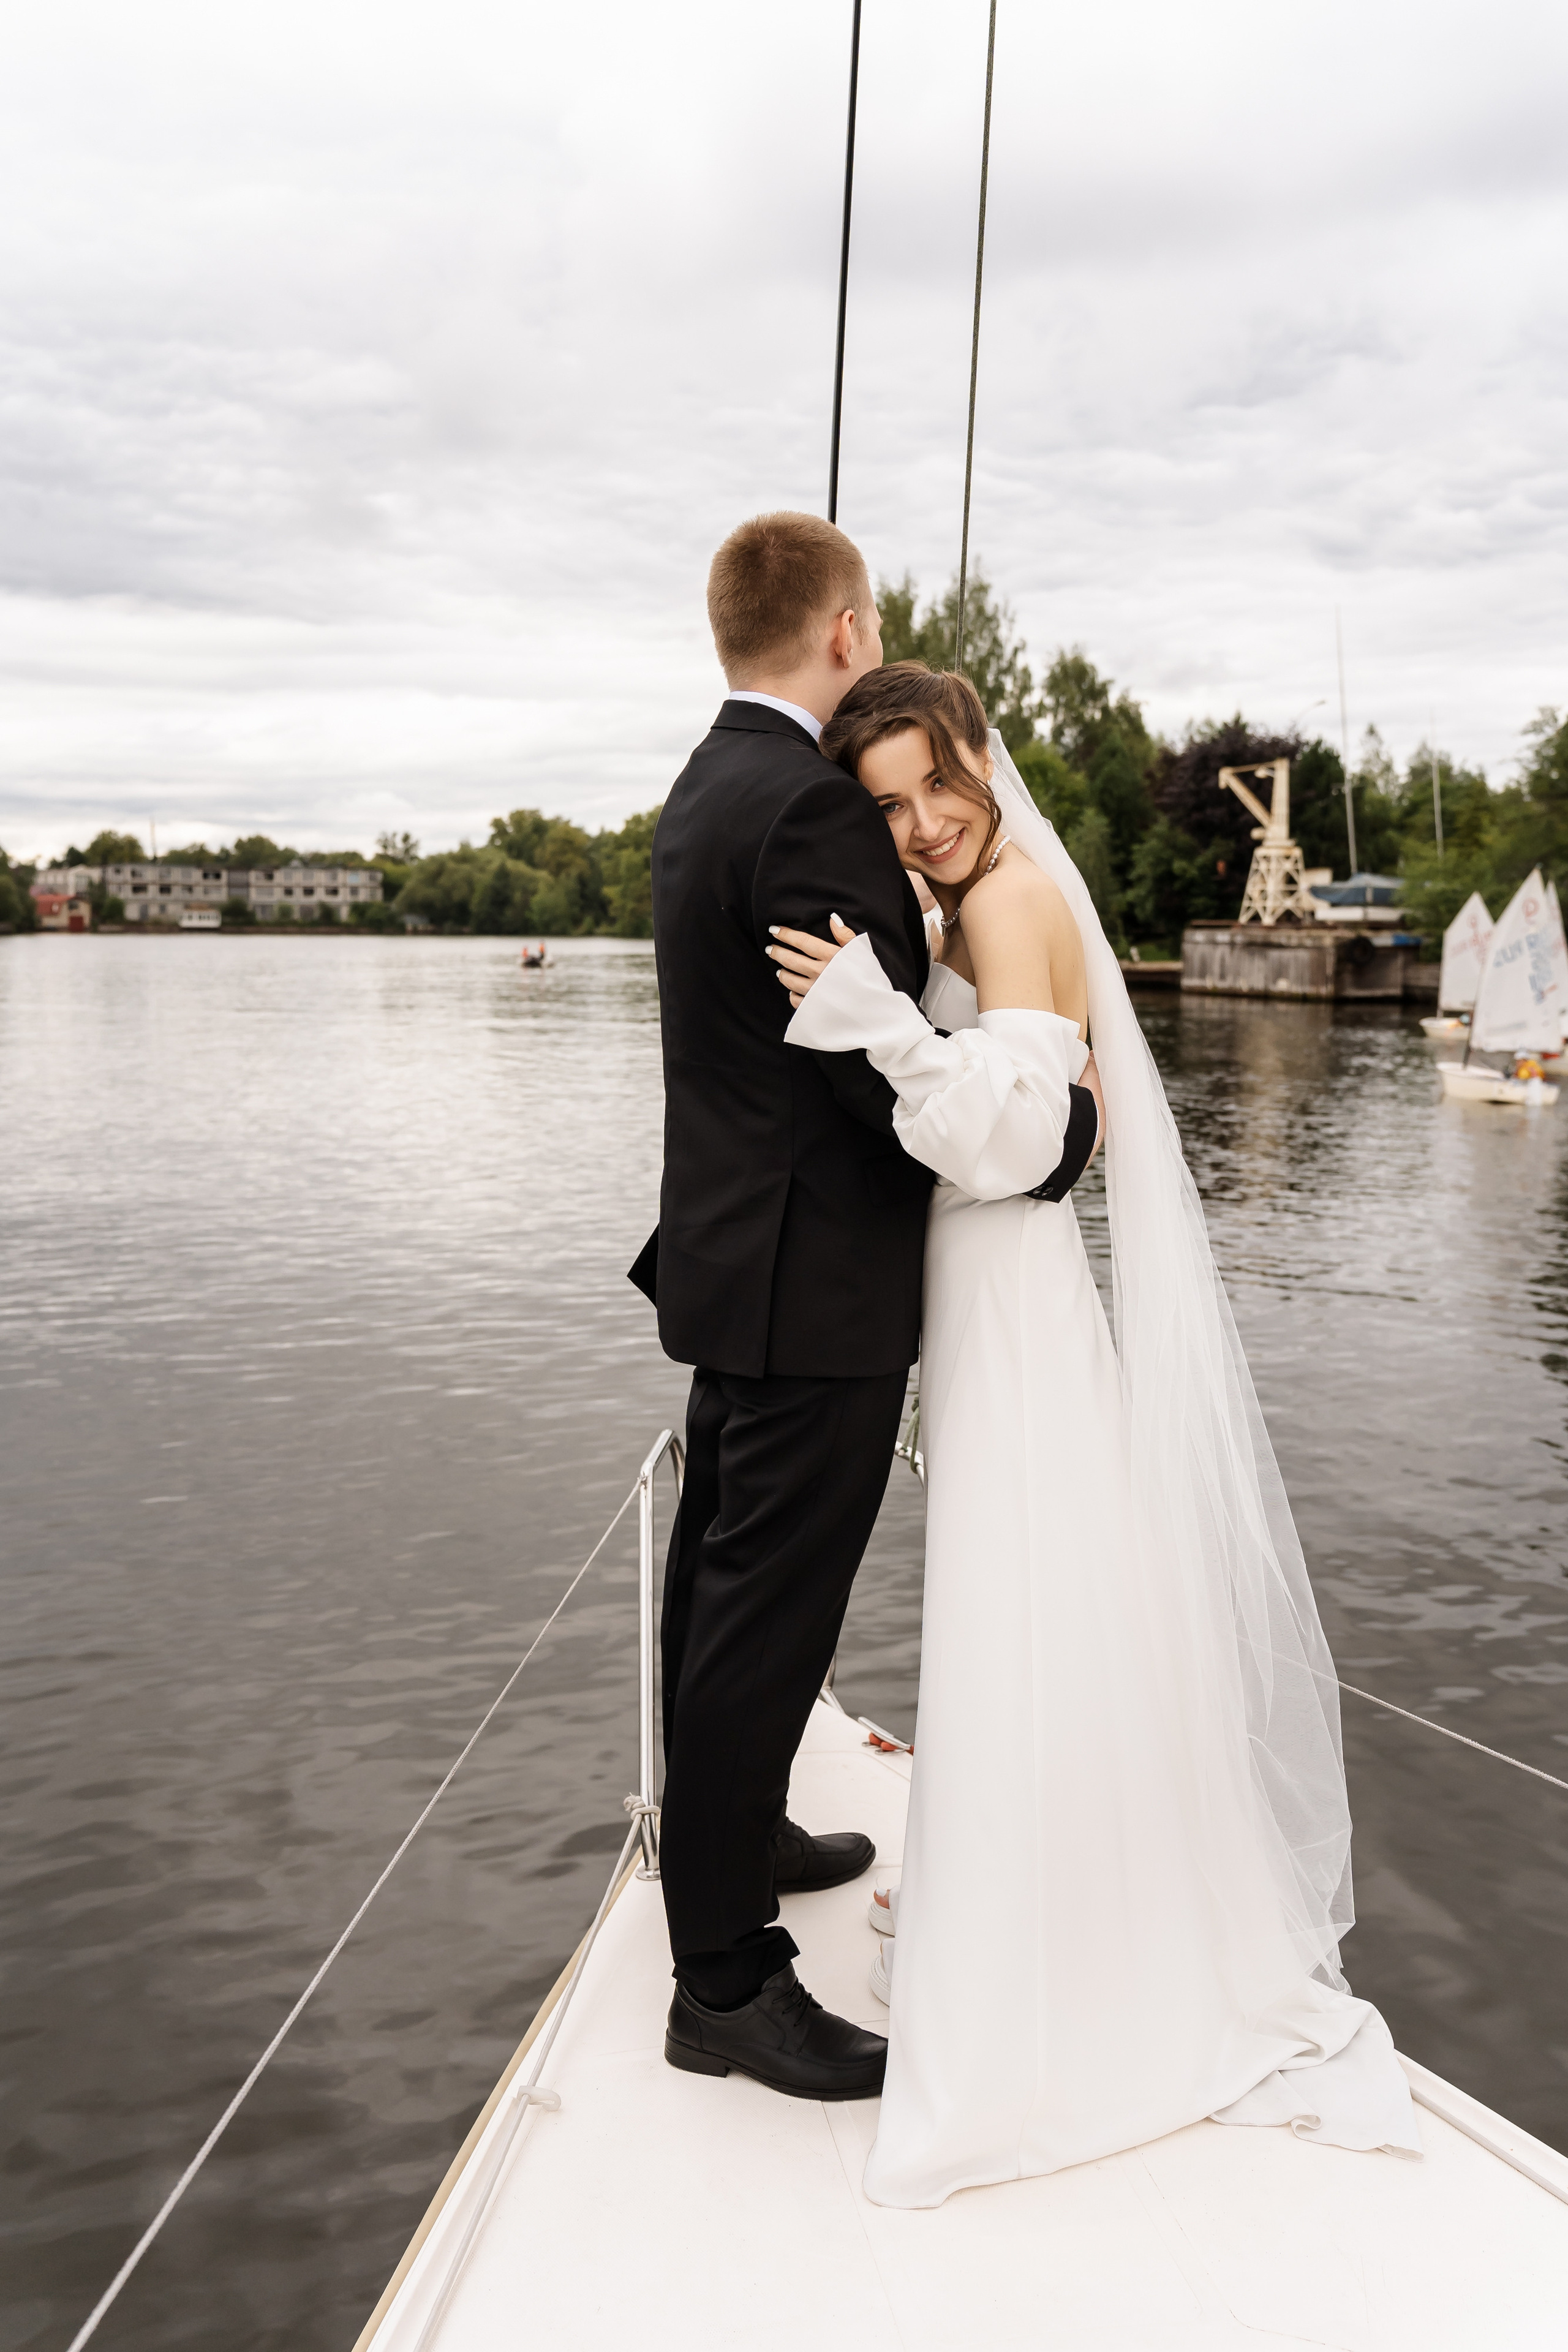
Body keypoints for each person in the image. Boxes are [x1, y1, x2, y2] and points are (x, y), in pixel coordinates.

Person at [767, 663, 1420, 2207]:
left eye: (939, 783)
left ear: (983, 761)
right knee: (1051, 1595)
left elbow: (1009, 1145)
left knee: (1022, 1599)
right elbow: (1065, 1109)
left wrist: (878, 1027)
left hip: (1003, 1289)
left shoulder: (1002, 899)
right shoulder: (991, 893)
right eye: (887, 804)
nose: (920, 823)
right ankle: (1063, 1913)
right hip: (1002, 1295)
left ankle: (1042, 1987)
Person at [632, 517, 1100, 2101]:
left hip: (723, 1262)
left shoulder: (700, 791)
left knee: (716, 1588)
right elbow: (852, 1081)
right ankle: (726, 1981)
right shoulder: (815, 808)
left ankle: (736, 1823)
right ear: (849, 630)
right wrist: (1033, 1138)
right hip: (815, 1285)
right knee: (762, 1613)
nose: (900, 822)